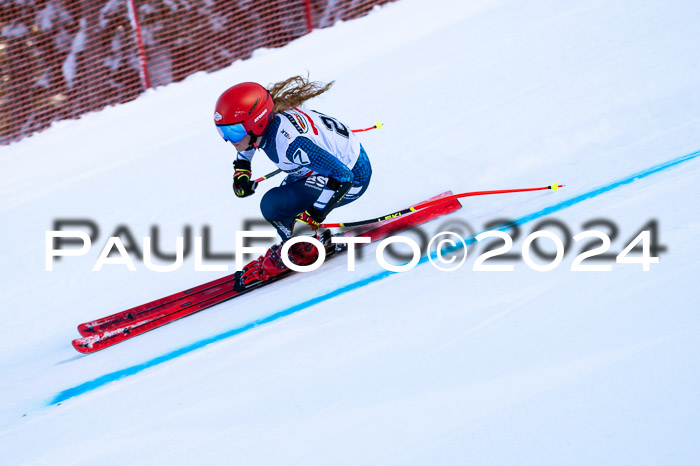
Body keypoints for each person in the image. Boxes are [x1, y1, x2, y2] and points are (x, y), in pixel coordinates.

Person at [214, 76, 372, 289]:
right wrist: (242, 170)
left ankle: (304, 248)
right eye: (222, 131)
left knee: (274, 205)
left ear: (257, 122)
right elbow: (249, 141)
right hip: (322, 170)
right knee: (284, 206)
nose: (228, 139)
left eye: (233, 131)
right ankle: (304, 241)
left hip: (353, 178)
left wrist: (312, 217)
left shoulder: (290, 143)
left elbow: (343, 177)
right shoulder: (266, 127)